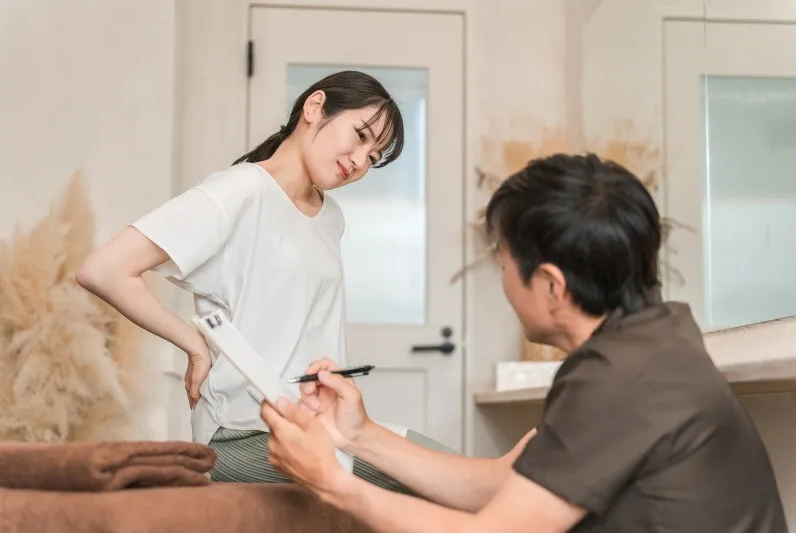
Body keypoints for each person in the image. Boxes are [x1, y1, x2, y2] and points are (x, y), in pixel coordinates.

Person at [261, 153, 787, 533]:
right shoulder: (651, 340)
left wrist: (333, 483)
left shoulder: (621, 378)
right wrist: (359, 436)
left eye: (506, 265)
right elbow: (503, 485)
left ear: (552, 285)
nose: (504, 282)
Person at [76, 70, 452, 488]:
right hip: (242, 430)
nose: (361, 161)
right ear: (315, 107)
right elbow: (104, 270)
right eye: (361, 136)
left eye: (374, 157)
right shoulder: (241, 189)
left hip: (315, 425)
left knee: (454, 473)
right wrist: (196, 347)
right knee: (436, 482)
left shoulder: (330, 217)